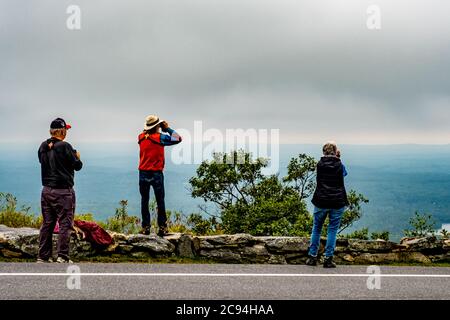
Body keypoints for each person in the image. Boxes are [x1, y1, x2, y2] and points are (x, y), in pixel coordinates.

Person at [37, 118, 83, 263]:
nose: (66, 133)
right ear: (61, 131)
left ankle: (43, 256)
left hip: (46, 190)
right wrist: (78, 157)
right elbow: (78, 166)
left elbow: (43, 161)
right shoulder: (65, 146)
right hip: (63, 191)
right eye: (66, 130)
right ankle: (62, 256)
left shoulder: (43, 146)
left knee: (47, 223)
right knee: (65, 223)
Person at [306, 141, 349, 268]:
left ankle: (312, 257)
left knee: (317, 228)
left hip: (321, 200)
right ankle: (328, 259)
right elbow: (344, 174)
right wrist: (338, 158)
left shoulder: (319, 165)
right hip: (337, 201)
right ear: (335, 152)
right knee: (332, 230)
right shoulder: (340, 165)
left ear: (323, 152)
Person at [138, 115, 182, 236]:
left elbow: (145, 134)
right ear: (157, 126)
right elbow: (178, 138)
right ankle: (162, 228)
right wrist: (167, 128)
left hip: (142, 172)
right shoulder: (160, 138)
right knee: (160, 201)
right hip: (156, 173)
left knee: (144, 200)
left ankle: (145, 227)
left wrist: (152, 128)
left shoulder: (141, 137)